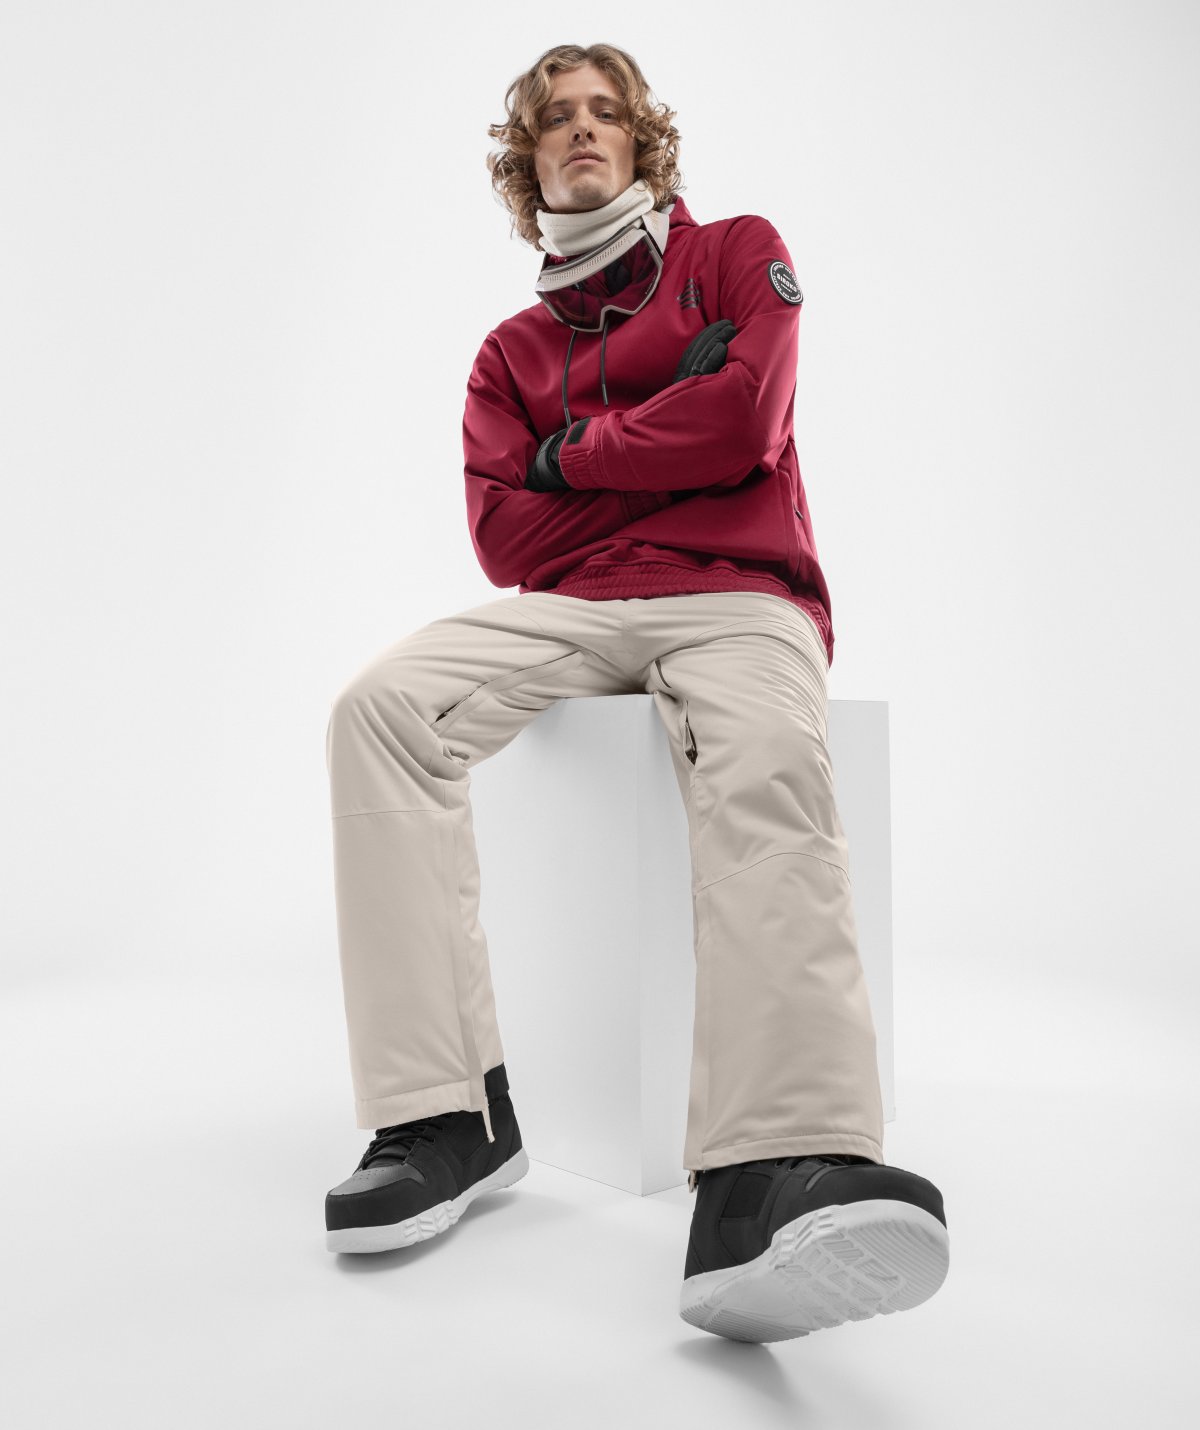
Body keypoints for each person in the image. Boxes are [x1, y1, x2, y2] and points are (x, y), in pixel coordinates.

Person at [323, 42, 950, 1343]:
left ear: (643, 142)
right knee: (379, 711)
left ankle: (775, 1170)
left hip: (741, 592)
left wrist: (577, 455)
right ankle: (446, 1115)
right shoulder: (506, 355)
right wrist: (675, 434)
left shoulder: (736, 256)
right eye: (556, 119)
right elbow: (511, 541)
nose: (583, 130)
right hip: (579, 606)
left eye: (606, 112)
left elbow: (747, 423)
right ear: (527, 163)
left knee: (767, 756)